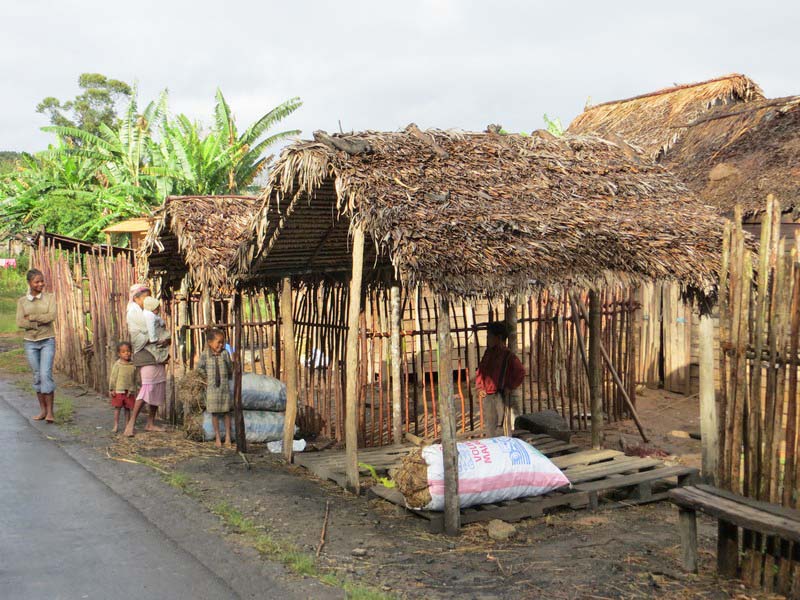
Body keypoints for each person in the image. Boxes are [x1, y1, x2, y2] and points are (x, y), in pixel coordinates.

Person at [123, 284, 170, 437]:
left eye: (149, 296)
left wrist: (161, 338)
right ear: (136, 298)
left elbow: (157, 329)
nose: (147, 299)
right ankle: (131, 424)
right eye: (144, 297)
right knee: (147, 388)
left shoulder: (149, 313)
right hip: (145, 354)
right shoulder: (133, 313)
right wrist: (156, 338)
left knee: (158, 386)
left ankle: (150, 423)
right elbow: (139, 335)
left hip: (158, 354)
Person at [16, 268, 57, 422]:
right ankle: (43, 411)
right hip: (30, 343)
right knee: (37, 375)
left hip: (47, 340)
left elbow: (51, 316)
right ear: (29, 283)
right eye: (36, 282)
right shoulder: (22, 301)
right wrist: (37, 323)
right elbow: (20, 322)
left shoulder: (50, 298)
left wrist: (32, 317)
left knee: (45, 374)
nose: (40, 284)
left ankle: (50, 412)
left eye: (42, 281)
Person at [476, 321, 525, 437]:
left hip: (501, 395)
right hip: (488, 395)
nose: (488, 339)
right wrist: (480, 387)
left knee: (502, 424)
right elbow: (481, 370)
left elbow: (520, 372)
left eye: (490, 336)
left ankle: (502, 443)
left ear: (498, 338)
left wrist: (510, 386)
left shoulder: (508, 356)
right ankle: (492, 442)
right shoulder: (488, 353)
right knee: (490, 424)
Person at [197, 328, 233, 449]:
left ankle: (228, 436)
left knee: (227, 412)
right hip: (212, 388)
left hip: (224, 388)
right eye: (218, 342)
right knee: (215, 414)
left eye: (223, 342)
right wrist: (205, 379)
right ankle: (217, 437)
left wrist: (229, 375)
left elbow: (230, 368)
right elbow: (200, 368)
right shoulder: (205, 354)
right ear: (209, 342)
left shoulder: (225, 354)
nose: (221, 345)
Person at [108, 341, 136, 433]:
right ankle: (116, 425)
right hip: (118, 390)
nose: (126, 353)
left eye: (128, 351)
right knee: (117, 408)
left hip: (129, 391)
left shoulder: (133, 365)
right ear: (119, 354)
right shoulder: (117, 364)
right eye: (123, 352)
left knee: (127, 409)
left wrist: (132, 389)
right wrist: (112, 389)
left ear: (131, 352)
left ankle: (127, 425)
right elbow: (113, 377)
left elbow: (133, 379)